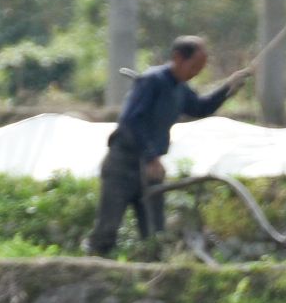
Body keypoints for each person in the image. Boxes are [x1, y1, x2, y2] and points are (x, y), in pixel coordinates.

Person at [87, 37, 251, 257]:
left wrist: (227, 88)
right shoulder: (151, 81)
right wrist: (151, 157)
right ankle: (94, 265)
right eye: (194, 66)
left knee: (155, 234)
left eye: (201, 68)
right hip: (123, 164)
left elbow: (200, 107)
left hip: (151, 168)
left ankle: (151, 272)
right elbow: (131, 120)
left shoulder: (180, 89)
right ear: (178, 58)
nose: (196, 72)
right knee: (107, 230)